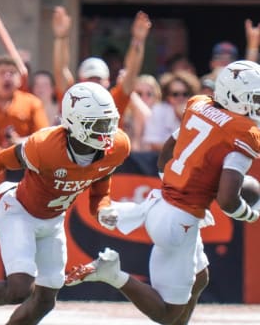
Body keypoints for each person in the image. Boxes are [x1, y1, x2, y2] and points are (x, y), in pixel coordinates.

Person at [65, 60, 260, 325]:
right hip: (178, 224)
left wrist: (175, 184)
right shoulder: (244, 133)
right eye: (255, 98)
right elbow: (227, 200)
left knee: (199, 277)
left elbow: (166, 154)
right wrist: (250, 214)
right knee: (167, 314)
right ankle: (112, 274)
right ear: (236, 97)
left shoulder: (199, 106)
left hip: (164, 205)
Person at [0, 82, 131, 325]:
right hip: (19, 213)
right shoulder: (45, 146)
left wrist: (104, 210)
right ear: (75, 122)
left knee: (45, 300)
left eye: (110, 123)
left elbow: (99, 193)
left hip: (52, 221)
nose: (108, 132)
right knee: (20, 289)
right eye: (99, 125)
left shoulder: (117, 147)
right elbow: (1, 160)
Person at [52, 6, 152, 119]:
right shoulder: (72, 99)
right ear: (80, 81)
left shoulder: (114, 100)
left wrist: (138, 41)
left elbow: (131, 72)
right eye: (90, 80)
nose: (94, 85)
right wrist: (61, 37)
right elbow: (60, 70)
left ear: (107, 82)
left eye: (98, 80)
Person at [142, 70, 201, 151]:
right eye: (175, 94)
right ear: (167, 96)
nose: (180, 98)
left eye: (185, 94)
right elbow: (154, 143)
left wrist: (185, 117)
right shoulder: (159, 111)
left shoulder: (200, 113)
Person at [121, 74, 162, 151]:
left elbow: (147, 116)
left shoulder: (162, 118)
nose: (144, 98)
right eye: (139, 94)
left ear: (157, 96)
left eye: (149, 94)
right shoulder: (124, 119)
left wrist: (130, 92)